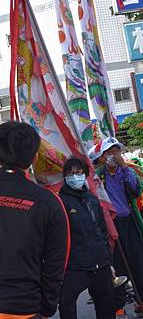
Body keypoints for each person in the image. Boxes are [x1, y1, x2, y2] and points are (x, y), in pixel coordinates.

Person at [0, 122, 69, 319]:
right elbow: (56, 261)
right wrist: (46, 307)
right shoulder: (48, 201)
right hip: (23, 306)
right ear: (34, 157)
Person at [89, 137, 143, 319]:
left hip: (129, 222)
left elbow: (136, 190)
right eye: (110, 152)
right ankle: (118, 305)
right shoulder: (97, 176)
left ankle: (142, 301)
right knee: (115, 266)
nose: (114, 155)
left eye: (116, 151)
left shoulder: (126, 171)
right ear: (103, 156)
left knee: (138, 263)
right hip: (110, 225)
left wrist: (124, 168)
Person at [58, 157, 116, 319]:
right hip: (75, 265)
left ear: (84, 174)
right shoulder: (61, 202)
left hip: (100, 262)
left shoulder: (92, 199)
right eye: (70, 173)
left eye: (78, 172)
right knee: (66, 304)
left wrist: (108, 260)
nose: (74, 176)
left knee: (106, 306)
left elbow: (102, 231)